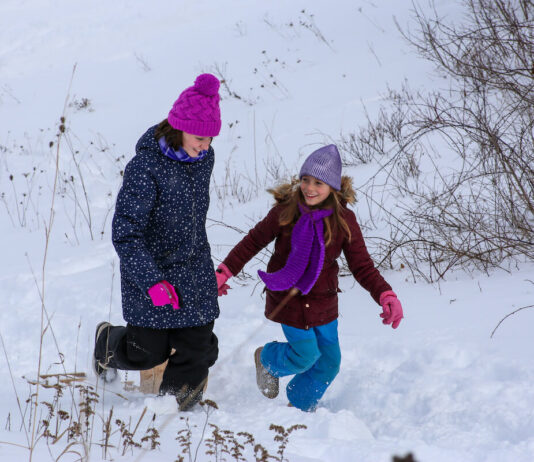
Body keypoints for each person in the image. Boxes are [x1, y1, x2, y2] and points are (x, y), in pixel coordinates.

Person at [215, 144, 404, 412]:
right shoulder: (285, 212)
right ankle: (267, 358)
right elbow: (253, 242)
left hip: (323, 303)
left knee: (329, 362)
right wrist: (224, 272)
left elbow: (362, 266)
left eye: (318, 182)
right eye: (305, 180)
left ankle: (299, 407)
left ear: (333, 187)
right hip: (289, 299)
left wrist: (386, 294)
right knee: (305, 356)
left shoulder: (344, 221)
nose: (309, 188)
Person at [93, 73, 222, 411]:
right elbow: (126, 232)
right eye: (198, 137)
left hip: (194, 271)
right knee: (146, 352)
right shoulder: (145, 167)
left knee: (199, 347)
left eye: (210, 138)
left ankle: (176, 413)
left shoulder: (203, 159)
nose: (204, 146)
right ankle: (105, 342)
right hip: (153, 273)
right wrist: (151, 281)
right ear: (177, 127)